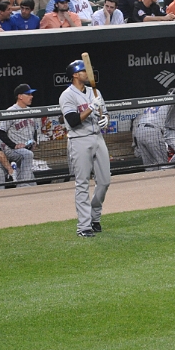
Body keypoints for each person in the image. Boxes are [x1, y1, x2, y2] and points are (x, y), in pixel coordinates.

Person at [59, 59, 110, 237]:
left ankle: (94, 218)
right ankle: (84, 226)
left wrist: (106, 119)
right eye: (84, 71)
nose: (88, 73)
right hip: (79, 140)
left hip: (98, 137)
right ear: (75, 75)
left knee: (104, 182)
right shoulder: (67, 95)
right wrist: (90, 108)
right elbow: (72, 121)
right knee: (82, 184)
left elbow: (103, 111)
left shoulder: (95, 91)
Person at [0, 83, 38, 188]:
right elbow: (0, 132)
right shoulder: (10, 111)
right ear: (20, 96)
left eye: (31, 94)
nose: (31, 96)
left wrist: (34, 141)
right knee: (28, 155)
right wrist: (14, 145)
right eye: (28, 94)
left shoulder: (30, 111)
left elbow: (35, 129)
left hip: (26, 149)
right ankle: (22, 184)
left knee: (34, 185)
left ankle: (23, 184)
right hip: (12, 149)